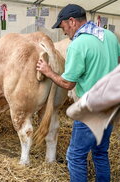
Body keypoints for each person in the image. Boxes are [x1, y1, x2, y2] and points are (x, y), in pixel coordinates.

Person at [36, 4, 120, 182]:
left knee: (75, 157)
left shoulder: (78, 44)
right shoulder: (111, 36)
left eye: (63, 26)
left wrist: (48, 71)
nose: (64, 32)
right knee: (100, 152)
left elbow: (67, 83)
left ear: (72, 21)